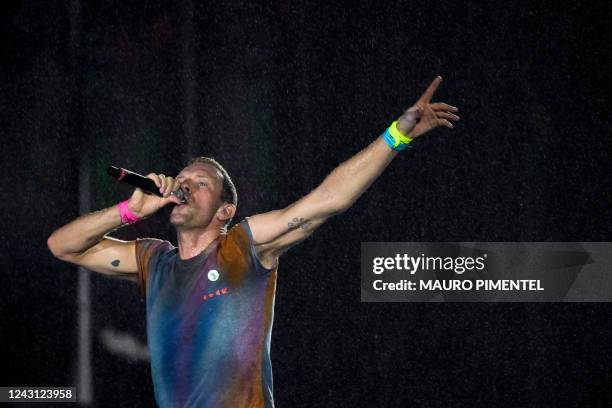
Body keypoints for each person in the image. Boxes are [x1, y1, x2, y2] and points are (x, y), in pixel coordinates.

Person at [47, 76, 459, 408]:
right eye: (182, 180)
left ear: (225, 211)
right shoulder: (153, 261)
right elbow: (62, 246)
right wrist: (129, 212)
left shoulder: (243, 246)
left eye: (200, 183)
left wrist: (397, 135)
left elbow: (327, 200)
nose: (184, 186)